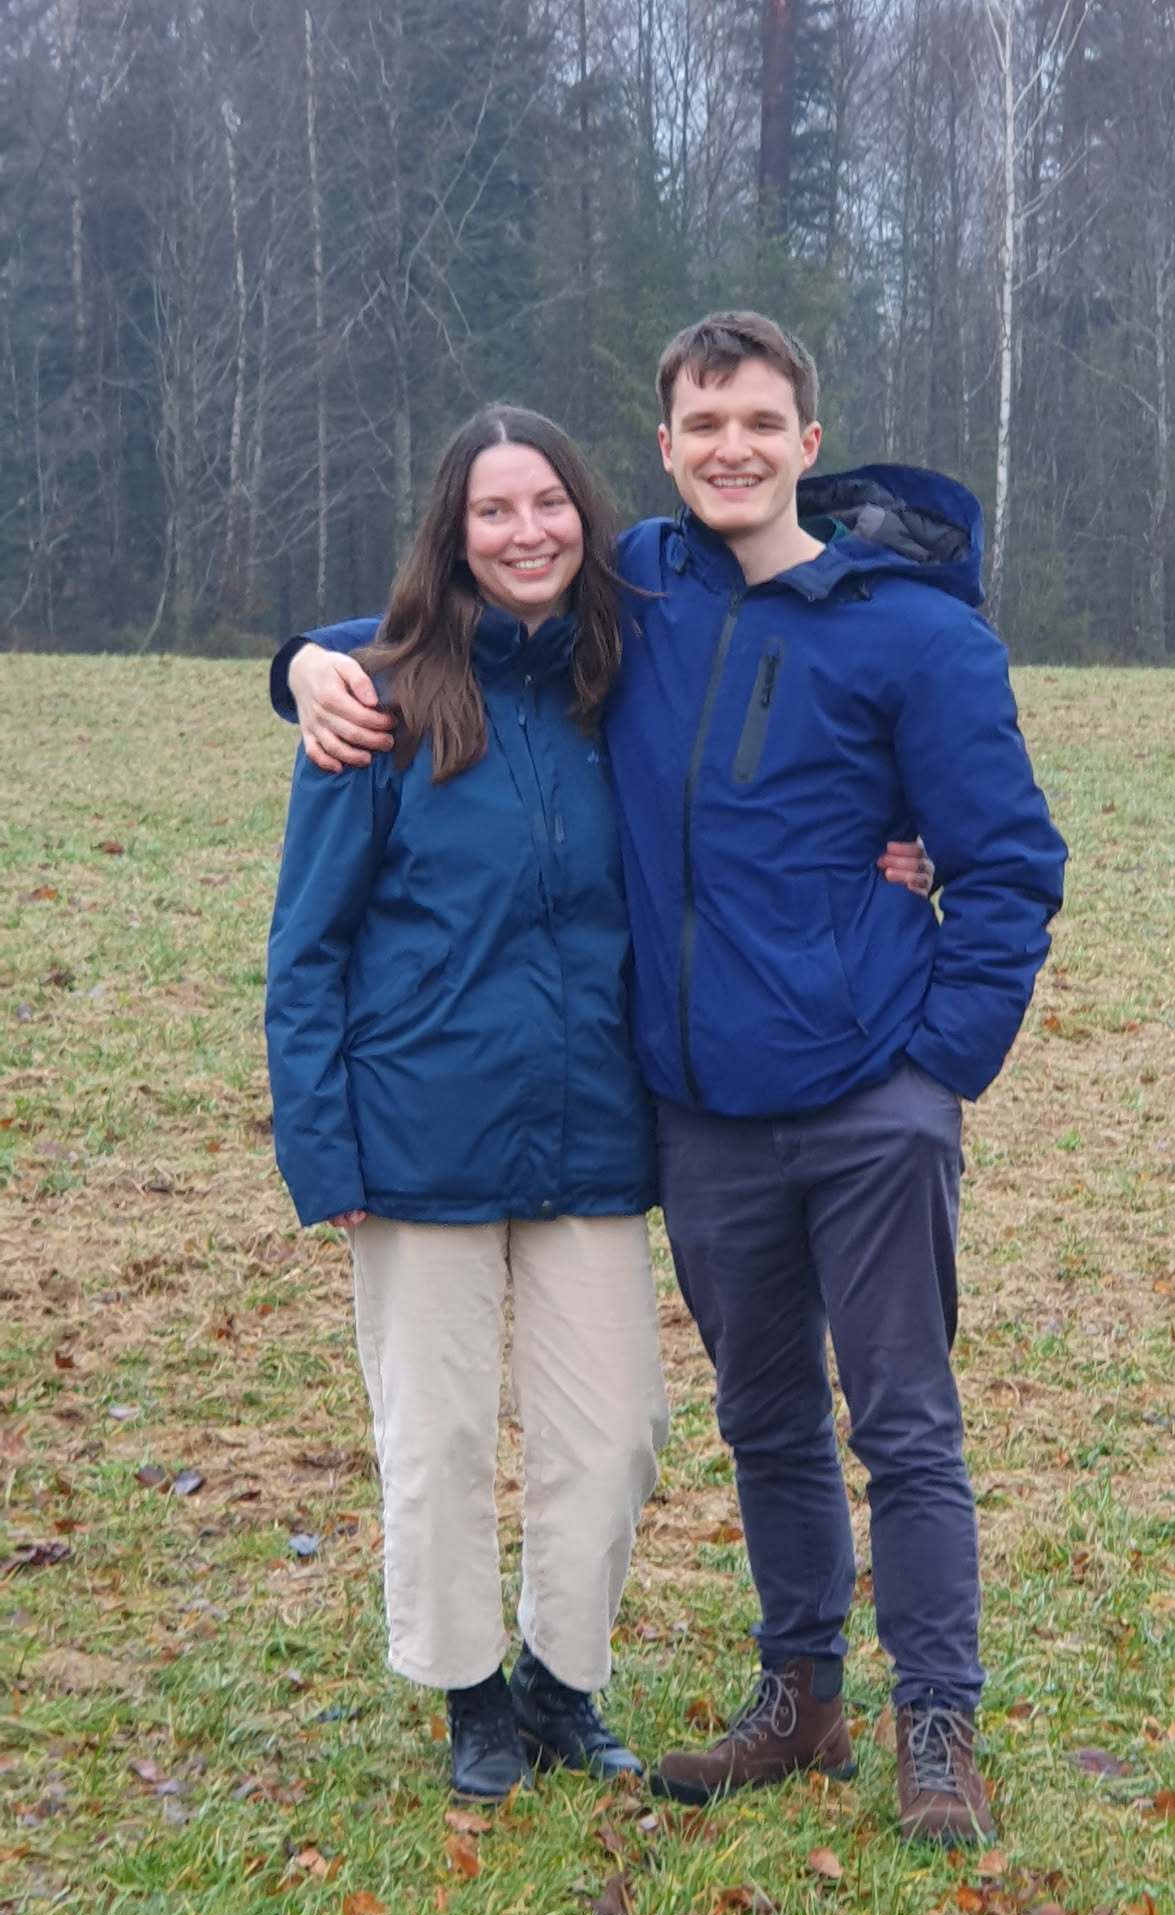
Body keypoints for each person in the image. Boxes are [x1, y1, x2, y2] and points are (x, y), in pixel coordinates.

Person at [275, 313, 1066, 1846]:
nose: (732, 450)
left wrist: (938, 1063)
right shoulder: (635, 588)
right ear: (664, 447)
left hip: (872, 1100)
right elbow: (452, 606)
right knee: (764, 1423)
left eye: (760, 422)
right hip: (701, 1119)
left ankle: (937, 1724)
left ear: (809, 442)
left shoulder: (918, 636)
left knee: (903, 1422)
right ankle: (801, 1695)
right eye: (704, 425)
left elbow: (1014, 868)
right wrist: (300, 662)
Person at [265, 406, 672, 1800]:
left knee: (615, 1432)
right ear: (453, 533)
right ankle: (472, 1695)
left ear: (585, 516)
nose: (525, 532)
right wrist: (323, 1152)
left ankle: (562, 1681)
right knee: (435, 1440)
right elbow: (305, 949)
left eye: (547, 504)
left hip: (593, 1125)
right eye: (493, 511)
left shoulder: (622, 680)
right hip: (416, 1135)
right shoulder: (374, 705)